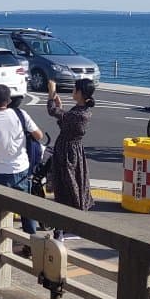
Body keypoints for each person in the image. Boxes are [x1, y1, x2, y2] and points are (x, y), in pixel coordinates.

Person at [0, 84, 45, 255]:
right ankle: (30, 244)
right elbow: (39, 136)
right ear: (8, 101)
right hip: (22, 169)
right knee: (26, 209)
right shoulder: (21, 114)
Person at [46, 78, 95, 215]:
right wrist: (59, 107)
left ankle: (72, 216)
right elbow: (65, 124)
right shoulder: (80, 110)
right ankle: (72, 213)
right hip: (70, 150)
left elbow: (53, 112)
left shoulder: (80, 114)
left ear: (80, 93)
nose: (73, 91)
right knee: (72, 182)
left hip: (68, 153)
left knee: (68, 184)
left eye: (75, 89)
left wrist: (51, 94)